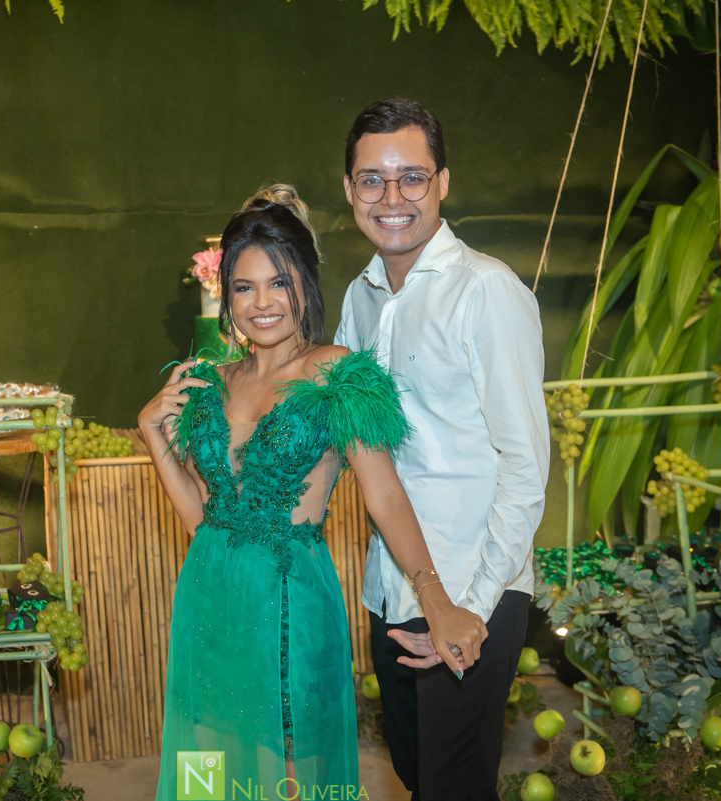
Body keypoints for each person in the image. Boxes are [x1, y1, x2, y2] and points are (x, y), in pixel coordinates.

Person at [139, 184, 486, 801]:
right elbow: (203, 520)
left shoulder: (336, 372)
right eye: (244, 287)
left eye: (279, 282)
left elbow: (384, 497)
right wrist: (152, 435)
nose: (262, 303)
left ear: (305, 281)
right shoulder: (208, 383)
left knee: (287, 774)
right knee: (209, 769)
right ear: (226, 295)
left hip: (290, 599)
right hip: (208, 598)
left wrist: (436, 601)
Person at [334, 98, 549, 800]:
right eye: (372, 179)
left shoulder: (487, 290)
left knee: (455, 786)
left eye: (412, 177)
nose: (391, 197)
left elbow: (526, 467)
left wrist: (472, 606)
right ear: (349, 190)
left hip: (470, 587)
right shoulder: (359, 300)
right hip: (391, 586)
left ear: (444, 182)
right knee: (417, 773)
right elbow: (353, 446)